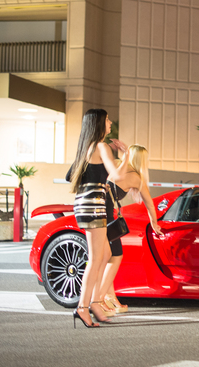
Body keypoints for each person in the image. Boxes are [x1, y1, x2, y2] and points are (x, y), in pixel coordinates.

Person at [67, 108, 127, 329]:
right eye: (108, 120)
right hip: (93, 206)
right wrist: (127, 154)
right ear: (99, 123)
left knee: (107, 253)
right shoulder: (101, 146)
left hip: (86, 205)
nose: (110, 123)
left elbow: (70, 175)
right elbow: (116, 175)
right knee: (95, 258)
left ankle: (95, 303)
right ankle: (83, 307)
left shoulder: (87, 147)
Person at [98, 145, 160, 313]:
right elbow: (149, 204)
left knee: (108, 257)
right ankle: (99, 299)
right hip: (107, 217)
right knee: (116, 255)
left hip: (96, 211)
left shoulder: (117, 164)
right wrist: (154, 222)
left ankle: (111, 298)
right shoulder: (135, 177)